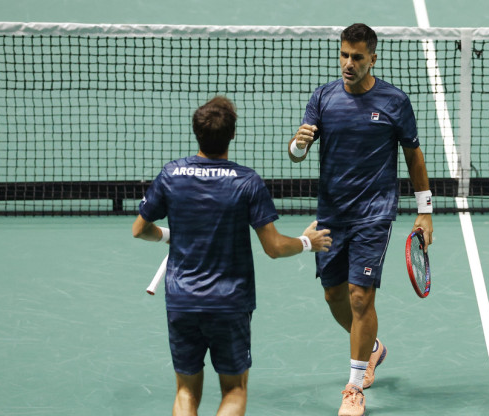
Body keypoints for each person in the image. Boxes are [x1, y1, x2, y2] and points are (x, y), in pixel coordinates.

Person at [133, 96, 332, 416]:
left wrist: (169, 235)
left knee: (185, 391)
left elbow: (140, 229)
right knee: (235, 391)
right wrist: (307, 242)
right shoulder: (247, 182)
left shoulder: (171, 175)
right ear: (233, 134)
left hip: (182, 300)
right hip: (230, 303)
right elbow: (274, 247)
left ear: (197, 133)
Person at [287, 23, 434, 416]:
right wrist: (297, 145)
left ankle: (353, 388)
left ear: (372, 58)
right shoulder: (323, 97)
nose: (348, 64)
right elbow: (297, 151)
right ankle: (372, 349)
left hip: (374, 213)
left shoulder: (394, 102)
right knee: (333, 295)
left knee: (359, 296)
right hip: (331, 214)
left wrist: (425, 211)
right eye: (343, 55)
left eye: (356, 57)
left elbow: (413, 155)